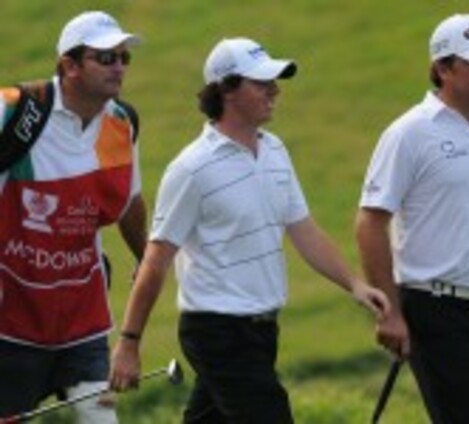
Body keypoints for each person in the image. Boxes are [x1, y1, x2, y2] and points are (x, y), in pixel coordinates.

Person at [108, 37, 390, 423]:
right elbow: (156, 260)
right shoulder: (192, 169)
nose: (274, 90)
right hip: (216, 330)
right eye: (261, 83)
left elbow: (304, 230)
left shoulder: (275, 151)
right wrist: (129, 342)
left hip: (262, 329)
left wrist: (354, 284)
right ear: (226, 89)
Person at [355, 13, 469, 424]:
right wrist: (391, 312)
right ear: (443, 68)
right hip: (433, 308)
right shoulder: (409, 133)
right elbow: (370, 223)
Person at [0, 11, 146, 423]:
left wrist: (146, 258)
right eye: (106, 57)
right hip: (11, 322)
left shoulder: (122, 123)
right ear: (69, 66)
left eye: (124, 57)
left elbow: (130, 200)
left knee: (102, 419)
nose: (119, 67)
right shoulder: (12, 112)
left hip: (84, 322)